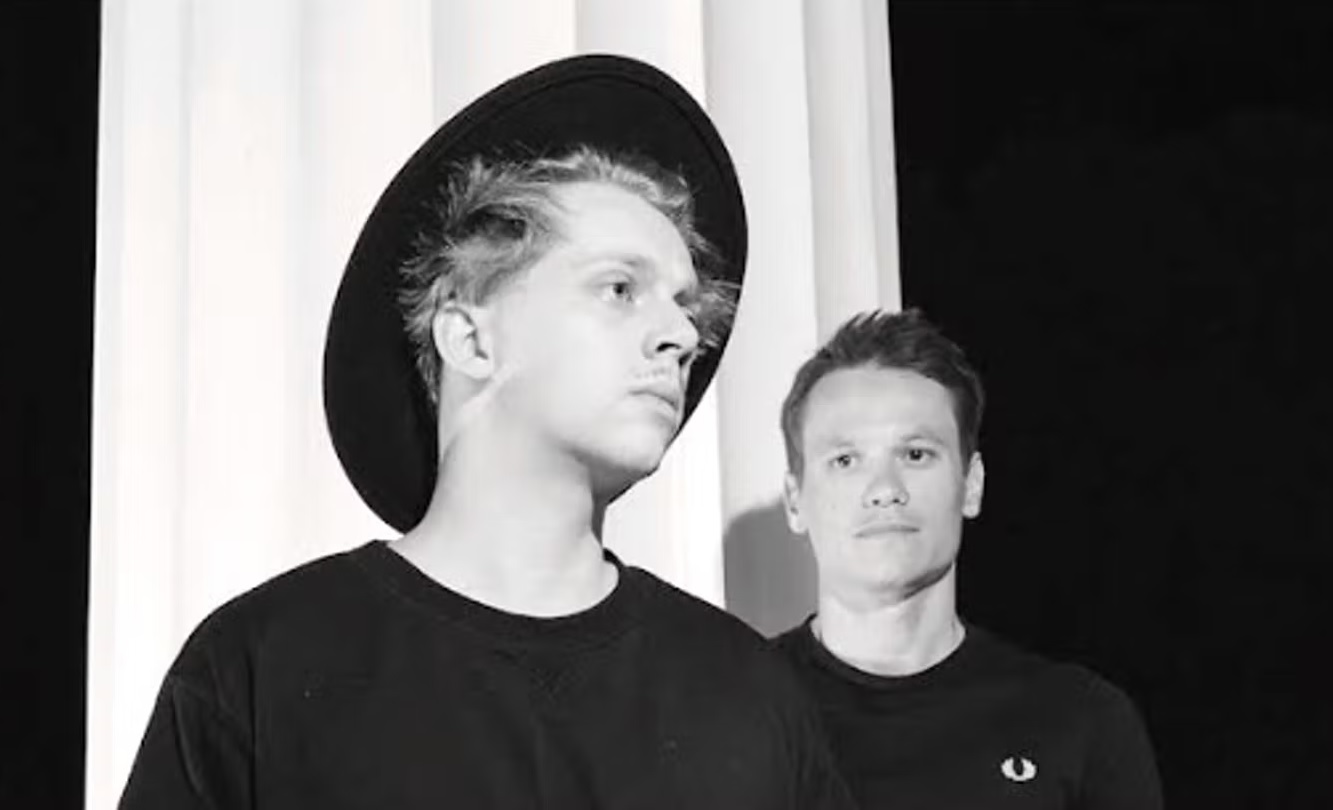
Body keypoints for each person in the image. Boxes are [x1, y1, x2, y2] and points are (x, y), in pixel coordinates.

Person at [119, 55, 854, 809]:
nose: (682, 336)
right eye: (620, 288)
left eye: (685, 307)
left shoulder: (748, 694)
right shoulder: (261, 667)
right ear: (470, 340)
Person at [773, 308, 1163, 809]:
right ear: (795, 501)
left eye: (916, 454)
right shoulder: (735, 707)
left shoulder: (1079, 719)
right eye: (846, 461)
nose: (885, 489)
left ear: (971, 484)